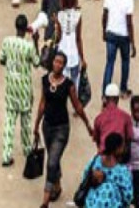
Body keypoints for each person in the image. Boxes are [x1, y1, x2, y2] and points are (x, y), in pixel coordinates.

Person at [33, 51, 95, 206]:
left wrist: (87, 124)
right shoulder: (45, 81)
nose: (57, 64)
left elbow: (77, 106)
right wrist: (36, 125)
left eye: (61, 62)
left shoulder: (68, 85)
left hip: (62, 129)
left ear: (64, 66)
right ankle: (57, 186)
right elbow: (42, 104)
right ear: (52, 62)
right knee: (54, 157)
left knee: (52, 161)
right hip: (47, 127)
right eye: (56, 61)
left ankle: (45, 201)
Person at [0, 14, 40, 167]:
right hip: (24, 90)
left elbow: (1, 59)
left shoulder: (7, 42)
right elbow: (37, 63)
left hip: (11, 88)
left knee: (9, 121)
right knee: (26, 122)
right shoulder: (28, 46)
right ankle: (27, 149)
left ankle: (6, 155)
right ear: (26, 29)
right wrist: (36, 41)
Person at [103, 0, 136, 96]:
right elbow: (129, 23)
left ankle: (105, 93)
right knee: (125, 61)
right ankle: (123, 88)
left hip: (110, 33)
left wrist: (104, 31)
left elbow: (104, 15)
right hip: (123, 36)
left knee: (109, 63)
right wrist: (133, 43)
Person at [81, 133, 134, 208]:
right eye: (122, 146)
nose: (123, 148)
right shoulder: (122, 171)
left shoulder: (95, 161)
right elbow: (128, 196)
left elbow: (85, 178)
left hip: (91, 204)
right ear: (117, 148)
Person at [93, 84, 134, 163]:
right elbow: (129, 139)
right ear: (117, 99)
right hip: (119, 158)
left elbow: (97, 140)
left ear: (105, 99)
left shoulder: (98, 118)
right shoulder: (126, 117)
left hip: (103, 158)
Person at [55, 0, 85, 85]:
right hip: (74, 53)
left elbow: (58, 37)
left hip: (62, 51)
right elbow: (78, 39)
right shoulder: (78, 15)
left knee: (62, 81)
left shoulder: (59, 15)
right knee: (75, 81)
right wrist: (82, 58)